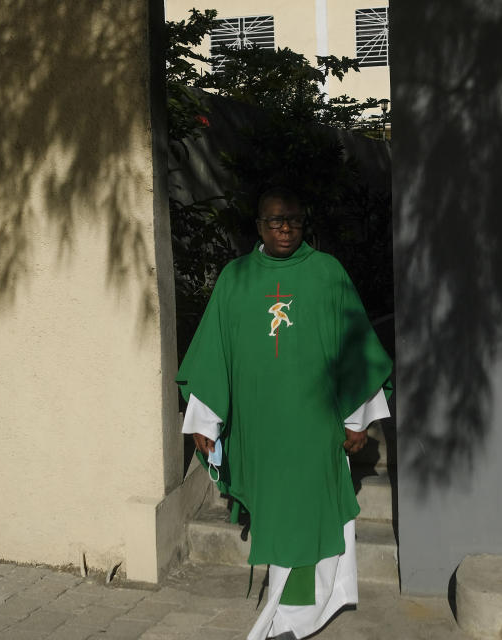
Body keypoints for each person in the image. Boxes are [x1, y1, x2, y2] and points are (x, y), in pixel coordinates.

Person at [176, 187, 392, 640]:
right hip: (259, 427)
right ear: (259, 226)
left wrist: (356, 419)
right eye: (275, 221)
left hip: (314, 425)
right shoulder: (236, 279)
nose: (285, 228)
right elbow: (213, 353)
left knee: (308, 508)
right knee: (277, 511)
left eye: (293, 219)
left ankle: (294, 613)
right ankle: (296, 608)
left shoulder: (327, 273)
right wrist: (205, 420)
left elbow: (355, 347)